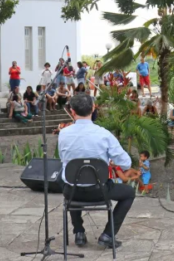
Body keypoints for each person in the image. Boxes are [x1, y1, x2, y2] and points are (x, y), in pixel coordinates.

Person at [58, 93, 137, 249]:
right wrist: (108, 160)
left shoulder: (63, 133)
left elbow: (64, 159)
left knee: (70, 176)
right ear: (93, 109)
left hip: (72, 192)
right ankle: (108, 234)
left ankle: (79, 232)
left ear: (72, 111)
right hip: (99, 191)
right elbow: (126, 163)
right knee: (129, 193)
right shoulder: (104, 134)